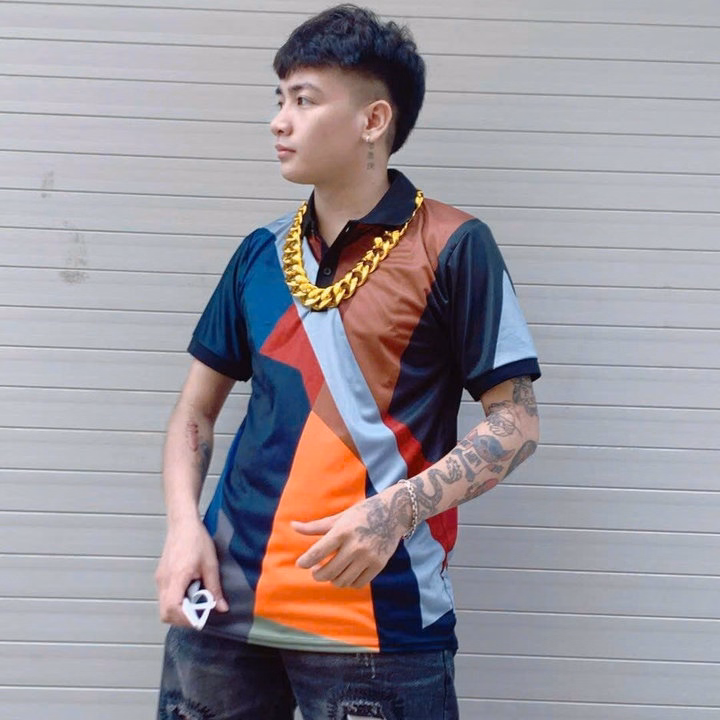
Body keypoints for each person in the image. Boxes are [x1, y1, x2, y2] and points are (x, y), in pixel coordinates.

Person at [155, 4, 541, 719]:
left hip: (379, 625)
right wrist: (183, 529)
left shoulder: (453, 246)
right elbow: (193, 414)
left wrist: (394, 512)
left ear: (373, 120)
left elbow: (515, 425)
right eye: (279, 99)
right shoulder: (260, 253)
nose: (279, 121)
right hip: (224, 612)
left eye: (304, 100)